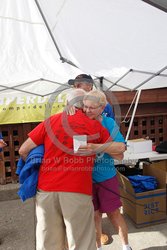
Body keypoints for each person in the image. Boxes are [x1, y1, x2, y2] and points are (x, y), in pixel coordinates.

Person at [18, 89, 123, 250]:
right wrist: (96, 147)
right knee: (81, 242)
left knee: (48, 242)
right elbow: (120, 151)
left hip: (46, 190)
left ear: (67, 104)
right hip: (77, 190)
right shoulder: (94, 125)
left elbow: (23, 150)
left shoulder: (51, 121)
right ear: (83, 105)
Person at [68, 74, 115, 245]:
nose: (76, 88)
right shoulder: (75, 105)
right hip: (82, 164)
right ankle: (92, 234)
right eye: (75, 86)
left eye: (78, 85)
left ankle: (99, 233)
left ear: (88, 86)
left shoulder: (103, 104)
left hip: (100, 162)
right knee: (87, 205)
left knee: (101, 205)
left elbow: (109, 129)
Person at [82, 90, 132, 250]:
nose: (87, 110)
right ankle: (98, 248)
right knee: (95, 216)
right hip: (85, 180)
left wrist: (95, 147)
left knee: (114, 213)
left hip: (106, 177)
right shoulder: (79, 121)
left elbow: (121, 149)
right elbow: (116, 150)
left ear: (102, 107)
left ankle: (126, 246)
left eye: (91, 107)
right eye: (85, 106)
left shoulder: (108, 123)